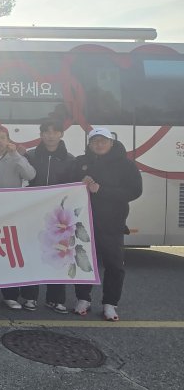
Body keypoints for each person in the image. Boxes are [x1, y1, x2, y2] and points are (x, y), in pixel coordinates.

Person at [70, 127, 142, 321]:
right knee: (83, 262)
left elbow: (135, 191)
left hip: (112, 223)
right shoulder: (81, 162)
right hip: (83, 223)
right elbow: (67, 183)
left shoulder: (126, 164)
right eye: (95, 141)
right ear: (89, 144)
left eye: (103, 141)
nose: (99, 144)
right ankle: (83, 299)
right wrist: (79, 181)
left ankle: (110, 303)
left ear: (111, 143)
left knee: (114, 265)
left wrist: (101, 190)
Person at [0, 126, 36, 310]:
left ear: (9, 140)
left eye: (3, 138)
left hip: (13, 213)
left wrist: (16, 155)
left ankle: (10, 295)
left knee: (10, 252)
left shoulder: (17, 158)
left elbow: (30, 175)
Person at [23, 120, 76, 313]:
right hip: (34, 212)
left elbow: (73, 187)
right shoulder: (30, 156)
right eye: (46, 132)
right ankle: (29, 297)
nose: (50, 136)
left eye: (54, 132)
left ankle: (56, 299)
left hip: (59, 218)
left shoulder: (70, 160)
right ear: (41, 135)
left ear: (61, 134)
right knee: (32, 253)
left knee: (58, 255)